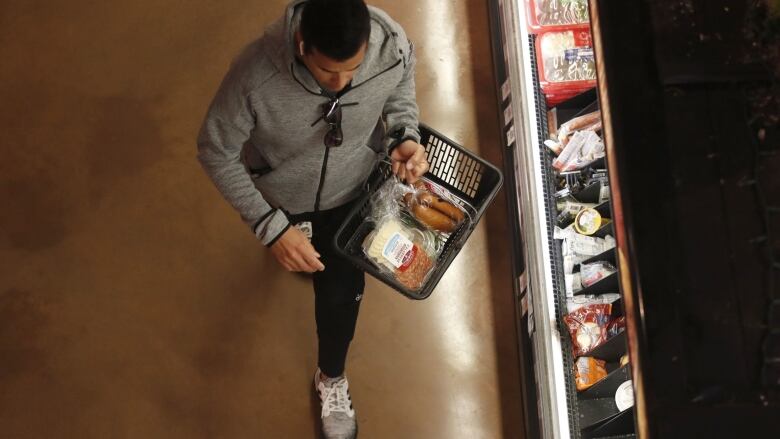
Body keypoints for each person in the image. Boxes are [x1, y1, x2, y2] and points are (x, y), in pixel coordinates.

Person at [197, 0, 428, 437]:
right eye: (328, 73)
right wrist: (272, 229)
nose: (341, 84)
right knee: (294, 239)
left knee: (342, 292)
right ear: (303, 44)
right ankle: (295, 229)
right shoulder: (253, 76)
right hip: (285, 191)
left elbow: (400, 86)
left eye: (353, 71)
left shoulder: (390, 43)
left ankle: (331, 376)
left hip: (352, 190)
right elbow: (215, 151)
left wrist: (403, 134)